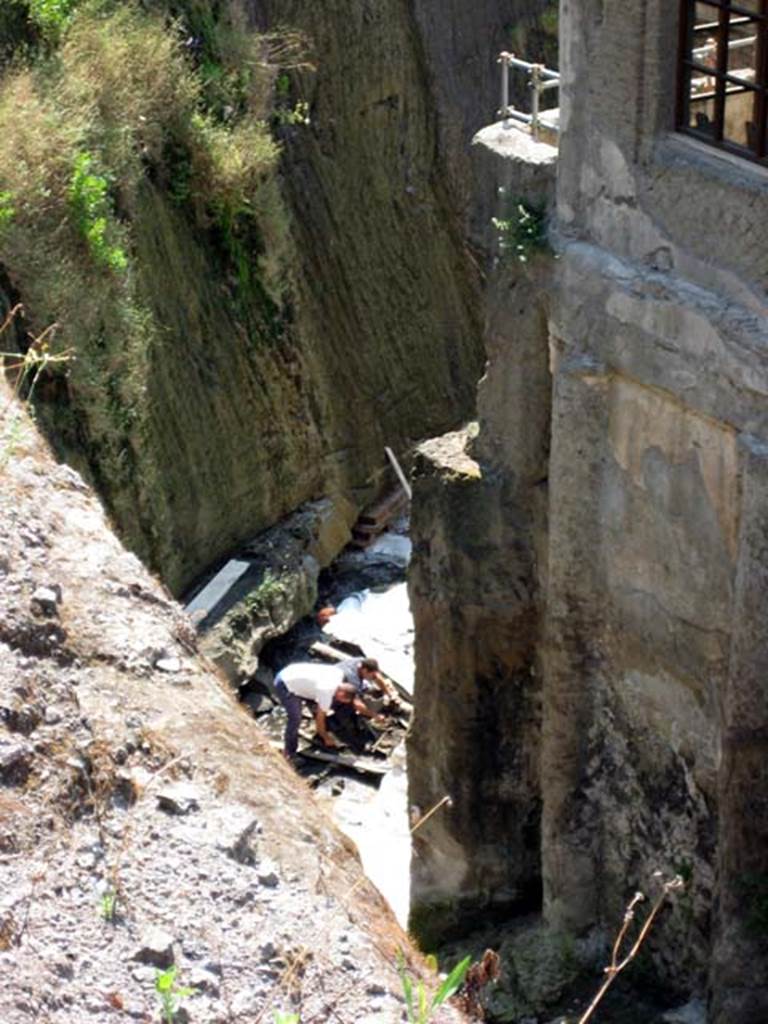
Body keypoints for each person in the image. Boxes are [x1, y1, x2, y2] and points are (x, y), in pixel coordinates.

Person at [274, 662, 380, 759]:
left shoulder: (338, 674)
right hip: (285, 684)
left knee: (323, 705)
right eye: (343, 700)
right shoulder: (326, 693)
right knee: (295, 719)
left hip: (293, 671)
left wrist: (373, 714)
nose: (342, 702)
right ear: (341, 694)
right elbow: (320, 720)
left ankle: (321, 721)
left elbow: (352, 700)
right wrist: (326, 737)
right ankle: (289, 751)